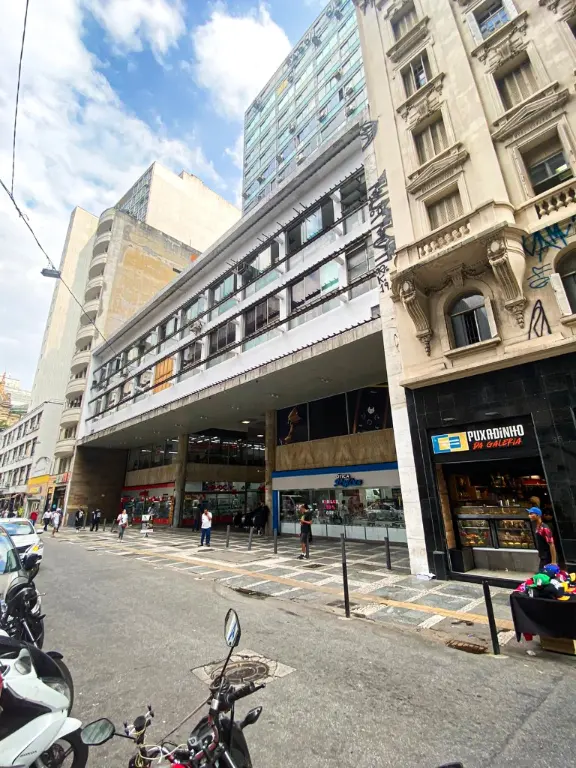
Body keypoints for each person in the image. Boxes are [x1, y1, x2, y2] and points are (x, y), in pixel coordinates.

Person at [528, 498, 557, 570]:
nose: (529, 516)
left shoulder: (545, 528)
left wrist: (553, 562)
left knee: (542, 575)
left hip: (547, 558)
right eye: (529, 514)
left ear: (538, 515)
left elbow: (552, 544)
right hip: (543, 556)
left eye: (531, 514)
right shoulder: (537, 526)